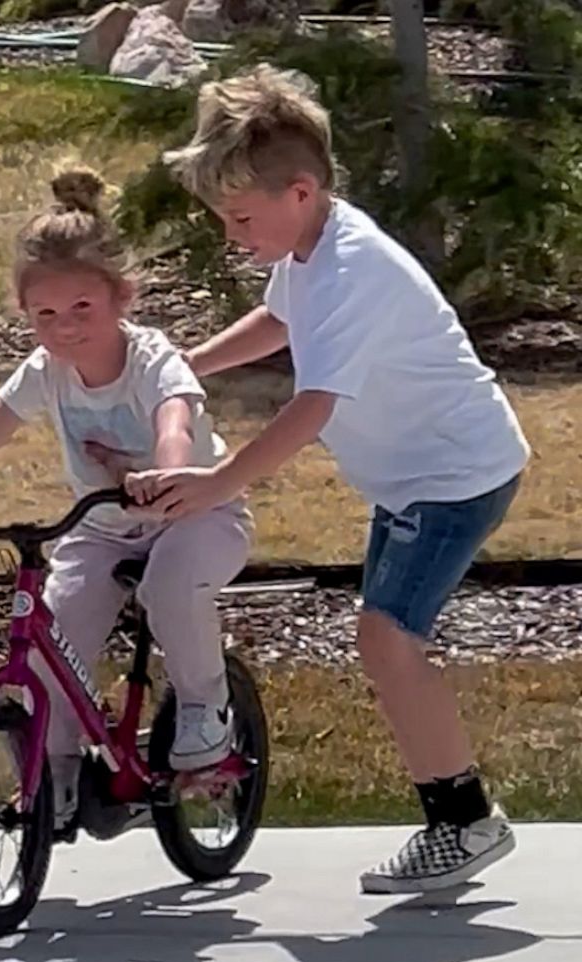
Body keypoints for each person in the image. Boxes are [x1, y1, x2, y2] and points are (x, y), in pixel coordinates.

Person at [128, 65, 530, 894]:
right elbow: (278, 319)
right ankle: (463, 820)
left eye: (239, 217)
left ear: (300, 191)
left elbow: (311, 407)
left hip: (455, 477)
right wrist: (186, 367)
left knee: (387, 641)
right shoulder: (311, 251)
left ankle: (465, 825)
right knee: (385, 642)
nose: (231, 233)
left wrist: (217, 482)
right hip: (415, 480)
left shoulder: (351, 269)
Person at [0, 166, 252, 839]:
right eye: (46, 314)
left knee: (170, 589)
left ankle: (205, 709)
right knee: (54, 628)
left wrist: (164, 475)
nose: (66, 327)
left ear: (122, 298)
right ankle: (58, 768)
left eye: (83, 309)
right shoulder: (47, 371)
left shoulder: (154, 360)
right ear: (26, 315)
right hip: (104, 528)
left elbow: (174, 418)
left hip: (197, 514)